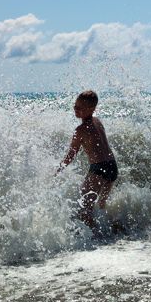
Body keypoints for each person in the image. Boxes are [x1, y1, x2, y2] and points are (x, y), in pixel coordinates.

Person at [56, 90, 119, 235]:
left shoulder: (80, 130)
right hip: (112, 166)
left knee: (85, 209)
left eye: (80, 107)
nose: (75, 109)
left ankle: (96, 237)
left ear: (91, 109)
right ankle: (113, 231)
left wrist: (60, 169)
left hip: (99, 168)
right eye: (75, 106)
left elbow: (71, 154)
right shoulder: (98, 121)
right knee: (101, 205)